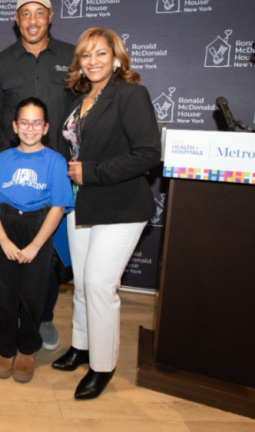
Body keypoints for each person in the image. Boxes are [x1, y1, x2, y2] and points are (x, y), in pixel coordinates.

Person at [50, 27, 161, 400]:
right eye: (86, 55)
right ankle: (82, 347)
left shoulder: (130, 94)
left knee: (98, 284)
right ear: (78, 63)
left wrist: (92, 171)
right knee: (82, 283)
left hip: (122, 204)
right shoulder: (80, 98)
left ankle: (103, 366)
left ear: (116, 58)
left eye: (101, 53)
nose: (93, 61)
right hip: (82, 203)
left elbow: (148, 153)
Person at [0, 0, 75, 351]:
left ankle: (42, 317)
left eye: (40, 12)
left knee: (48, 257)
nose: (33, 20)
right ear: (16, 19)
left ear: (50, 17)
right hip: (12, 174)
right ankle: (12, 322)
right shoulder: (2, 62)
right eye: (25, 13)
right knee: (9, 260)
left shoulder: (71, 56)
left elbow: (83, 110)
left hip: (57, 172)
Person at [0, 97, 73, 382]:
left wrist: (36, 245)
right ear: (14, 125)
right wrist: (3, 240)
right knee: (5, 292)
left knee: (33, 292)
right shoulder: (3, 159)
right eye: (24, 122)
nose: (30, 128)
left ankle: (27, 349)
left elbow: (58, 207)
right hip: (6, 226)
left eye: (37, 123)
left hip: (39, 227)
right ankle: (6, 348)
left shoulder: (56, 161)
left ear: (46, 128)